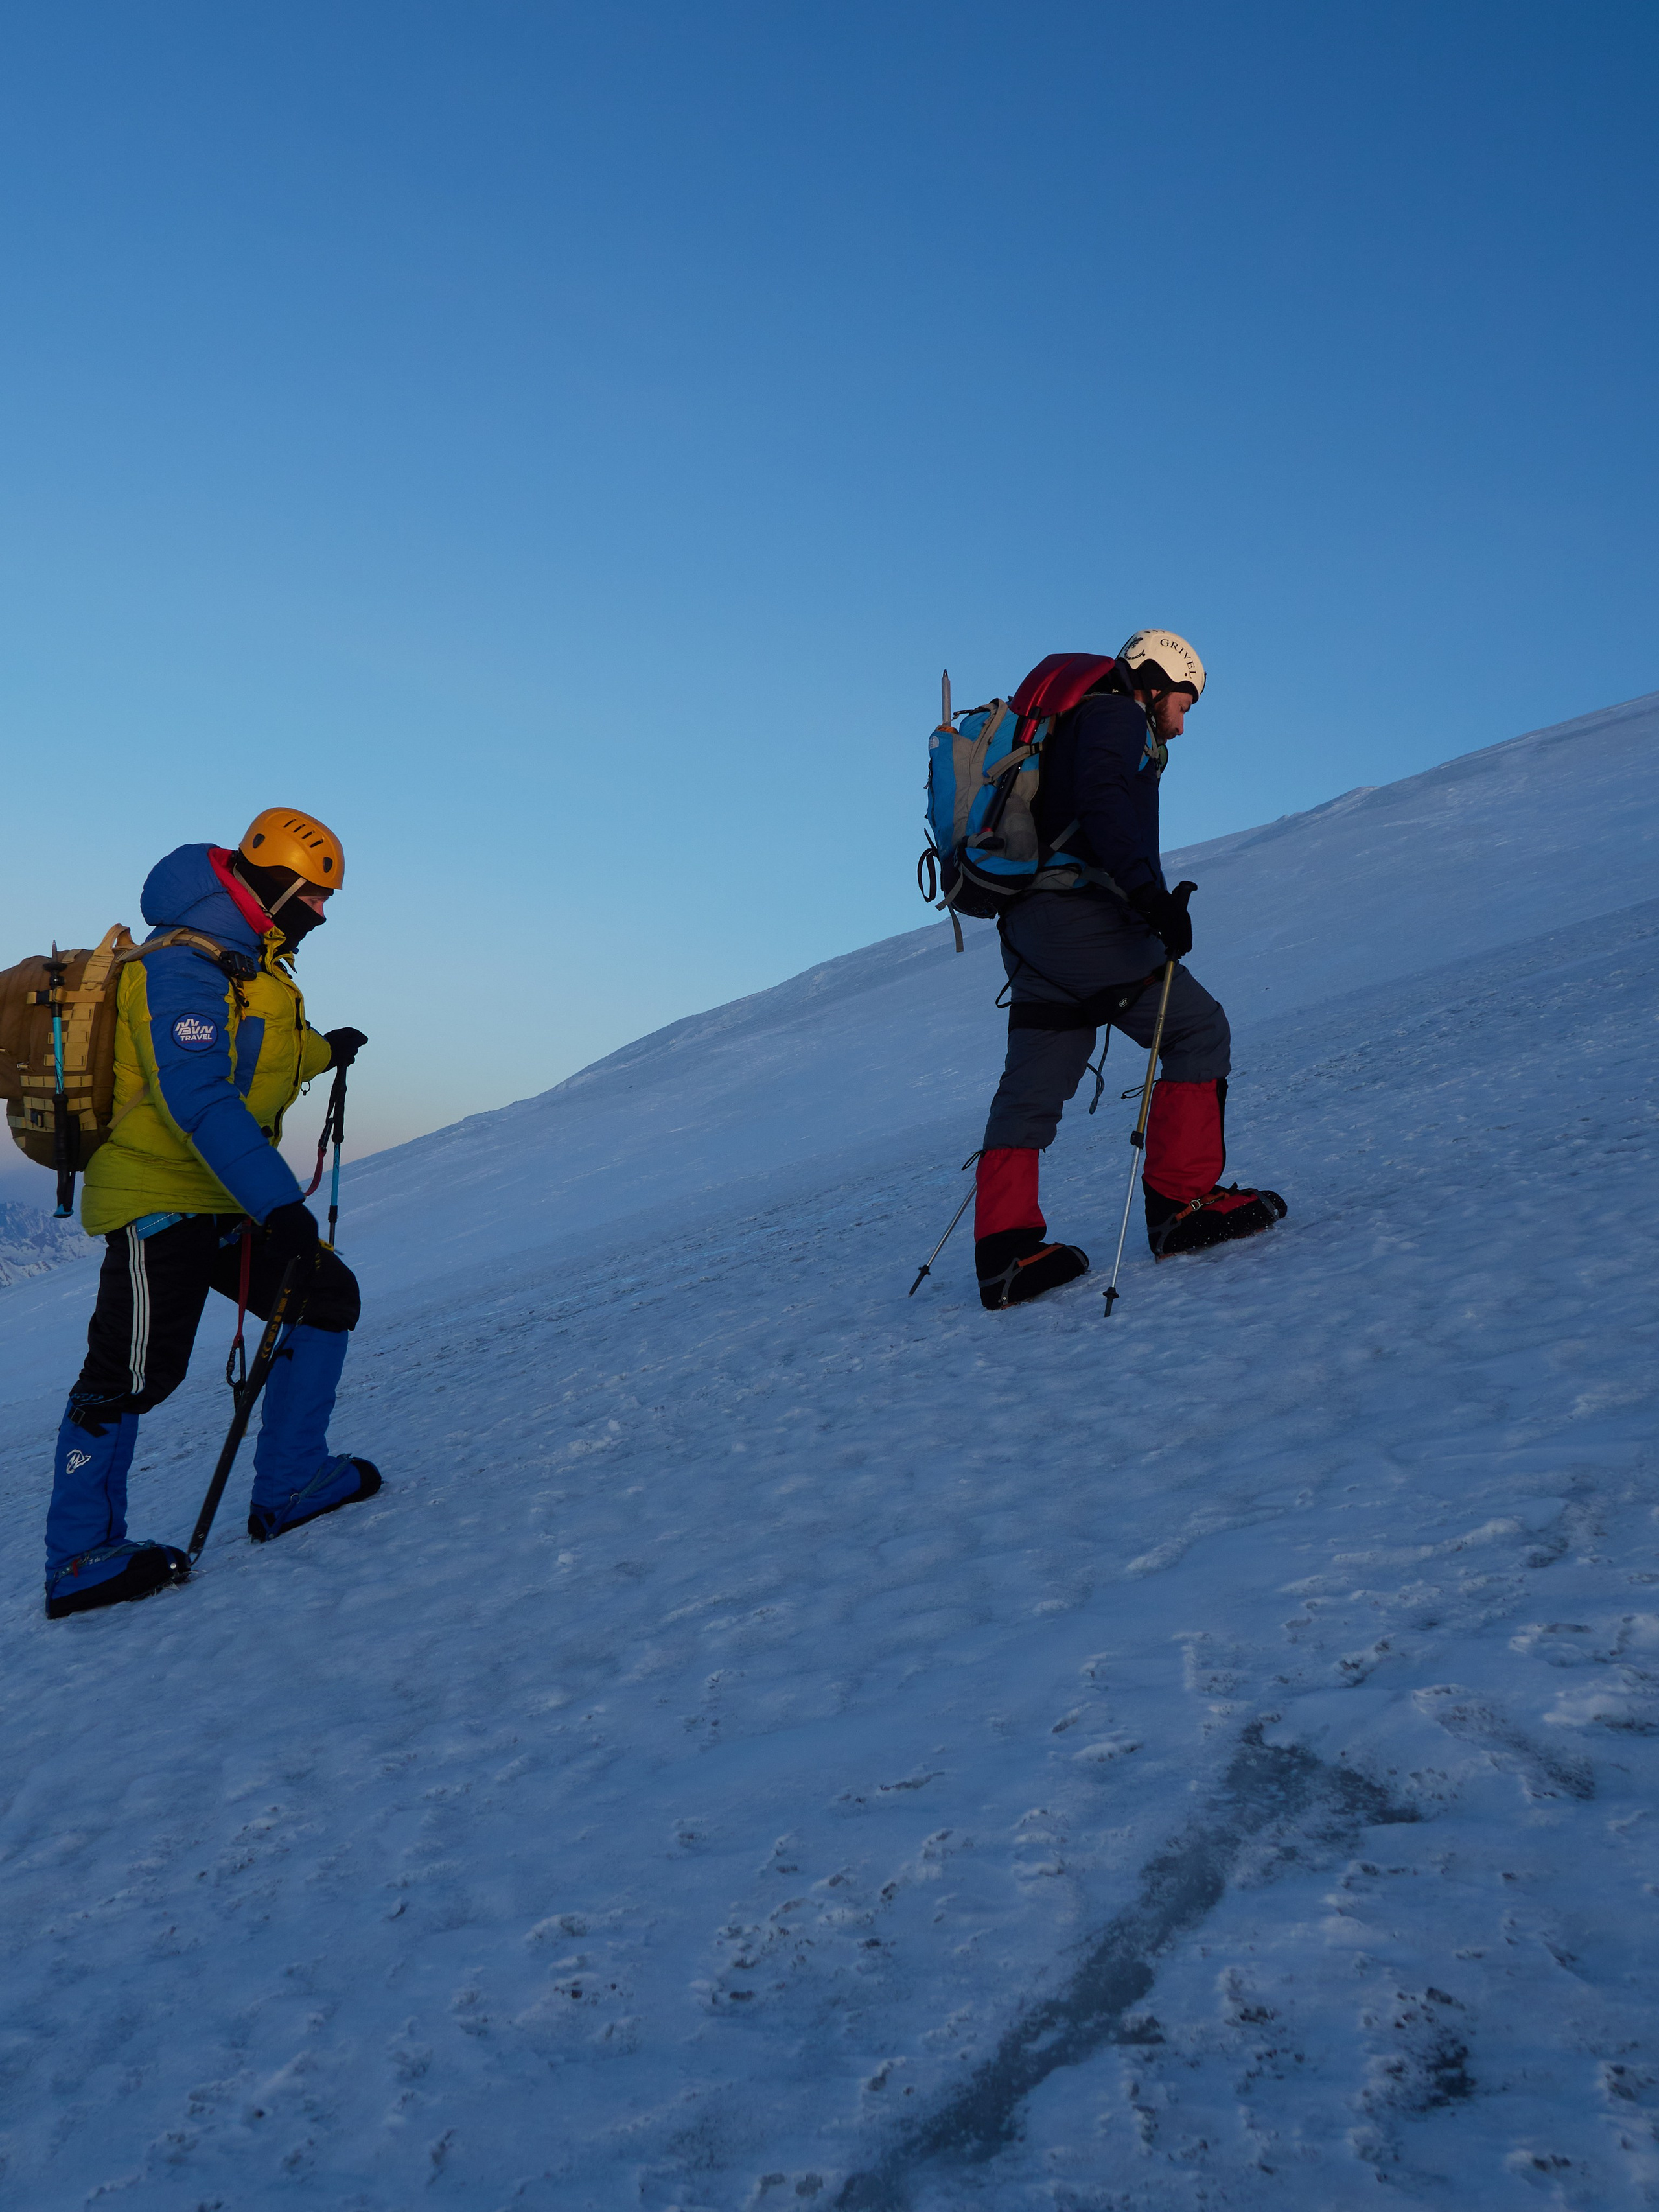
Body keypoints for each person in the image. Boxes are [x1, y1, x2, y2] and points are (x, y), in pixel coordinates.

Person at [42, 809, 378, 1618]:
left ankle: (292, 1482)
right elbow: (197, 1090)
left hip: (222, 1194)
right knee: (126, 1376)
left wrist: (325, 1048)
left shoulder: (246, 959)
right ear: (280, 884)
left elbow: (256, 1053)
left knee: (323, 1295)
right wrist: (276, 1202)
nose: (322, 914)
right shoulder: (178, 968)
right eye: (316, 896)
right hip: (159, 1199)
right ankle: (79, 1557)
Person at [974, 631, 1286, 1310]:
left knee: (1035, 1081)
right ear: (1154, 679)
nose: (1183, 717)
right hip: (1081, 919)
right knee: (1197, 1029)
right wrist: (1149, 898)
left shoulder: (1070, 723)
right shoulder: (1115, 715)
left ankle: (1005, 1254)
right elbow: (1106, 803)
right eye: (1184, 699)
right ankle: (1182, 1204)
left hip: (1029, 926)